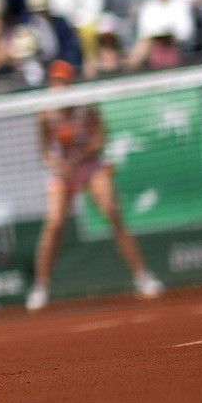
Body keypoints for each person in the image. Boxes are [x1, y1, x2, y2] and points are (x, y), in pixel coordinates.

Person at [27, 61, 163, 312]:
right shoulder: (45, 113)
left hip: (90, 165)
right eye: (55, 81)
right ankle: (41, 286)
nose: (59, 86)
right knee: (54, 224)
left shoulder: (85, 106)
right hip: (63, 171)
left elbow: (101, 136)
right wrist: (60, 165)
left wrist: (81, 155)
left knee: (113, 212)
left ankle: (142, 276)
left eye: (63, 80)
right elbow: (45, 152)